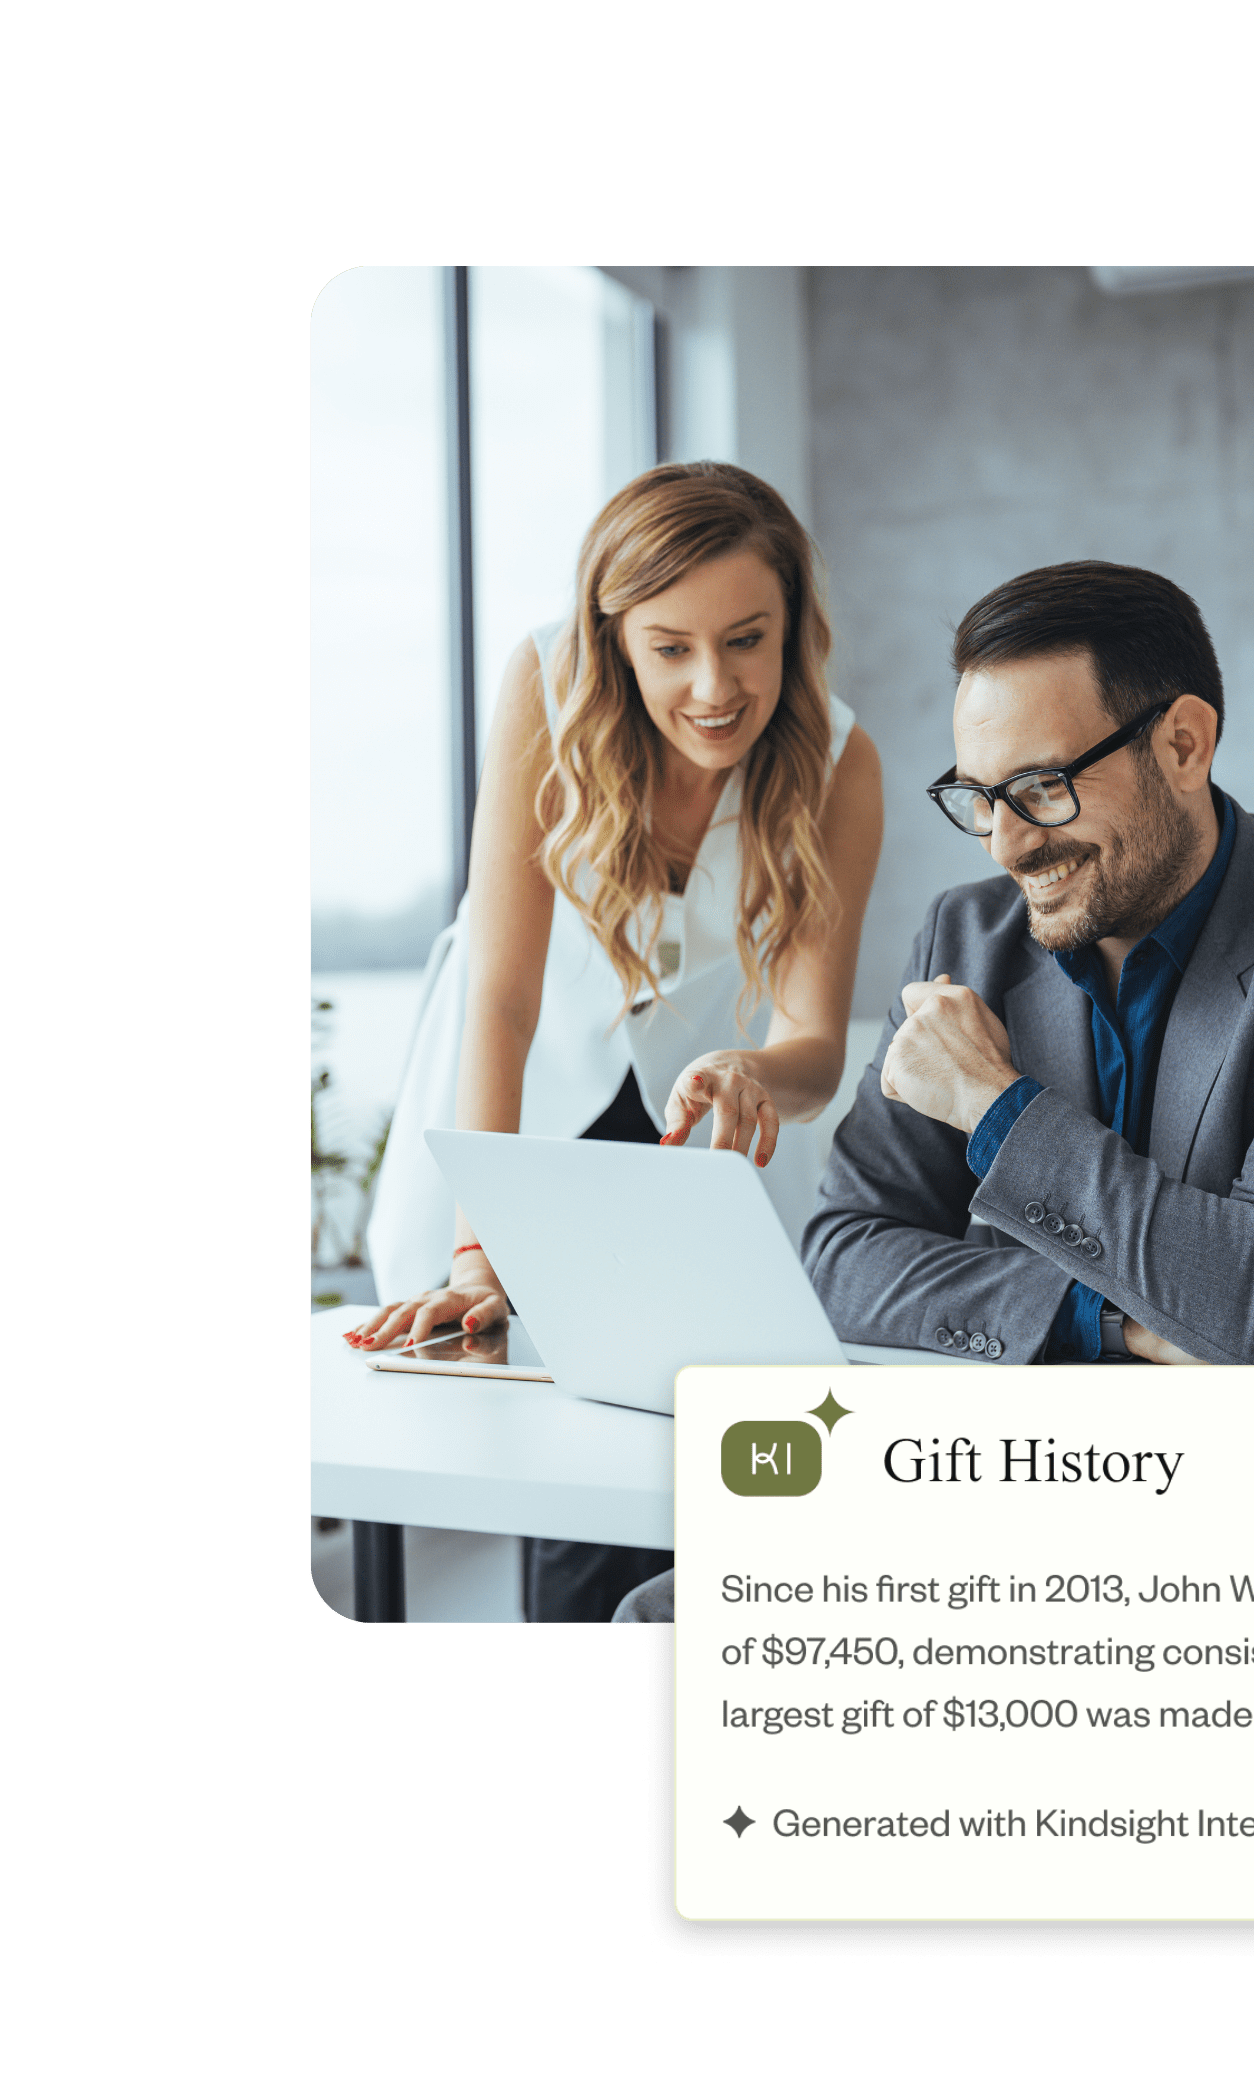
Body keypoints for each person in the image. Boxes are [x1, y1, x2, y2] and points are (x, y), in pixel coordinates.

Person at [350, 462, 883, 1619]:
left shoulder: (840, 762)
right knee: (514, 1435)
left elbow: (814, 1046)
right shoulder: (544, 688)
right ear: (615, 638)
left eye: (747, 639)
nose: (713, 686)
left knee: (658, 1445)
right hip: (512, 1097)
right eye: (670, 647)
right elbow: (504, 997)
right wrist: (475, 1252)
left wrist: (756, 1069)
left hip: (692, 1114)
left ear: (794, 624)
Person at [800, 560, 1254, 1367]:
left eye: (1042, 787)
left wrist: (992, 1103)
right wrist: (1110, 1320)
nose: (1005, 844)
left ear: (1184, 744)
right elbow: (841, 1258)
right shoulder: (962, 939)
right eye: (978, 798)